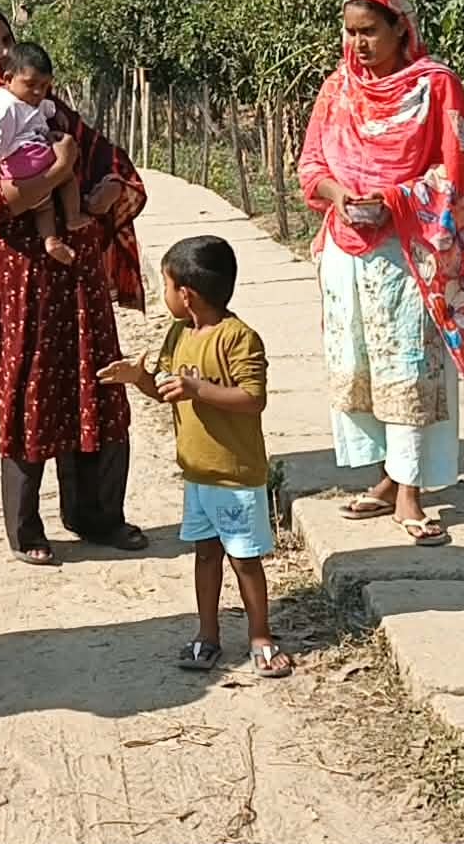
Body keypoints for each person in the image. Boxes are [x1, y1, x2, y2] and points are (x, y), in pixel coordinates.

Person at [295, 0, 464, 547]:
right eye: (350, 32)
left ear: (399, 28)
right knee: (360, 363)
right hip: (346, 249)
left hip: (409, 249)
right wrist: (341, 197)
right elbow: (311, 166)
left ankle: (411, 490)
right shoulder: (338, 89)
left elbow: (457, 171)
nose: (358, 44)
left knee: (409, 366)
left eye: (370, 31)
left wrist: (393, 200)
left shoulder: (436, 87)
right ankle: (387, 475)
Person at [0, 2, 149, 566]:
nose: (5, 52)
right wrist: (58, 173)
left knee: (97, 379)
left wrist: (108, 185)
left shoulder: (47, 103)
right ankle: (26, 524)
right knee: (29, 386)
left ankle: (98, 515)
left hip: (75, 270)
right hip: (19, 277)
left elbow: (105, 154)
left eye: (8, 39)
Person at [99, 236, 291, 677]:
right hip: (197, 474)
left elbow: (252, 398)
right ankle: (208, 634)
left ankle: (260, 635)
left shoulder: (239, 338)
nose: (163, 294)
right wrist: (139, 378)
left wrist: (197, 389)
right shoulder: (178, 335)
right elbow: (166, 389)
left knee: (245, 561)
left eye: (165, 286)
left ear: (185, 294)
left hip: (236, 477)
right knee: (206, 556)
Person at [0, 41, 83, 264]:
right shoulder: (4, 105)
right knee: (68, 173)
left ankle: (50, 239)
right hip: (23, 162)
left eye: (44, 86)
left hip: (30, 170)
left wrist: (58, 115)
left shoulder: (30, 100)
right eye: (31, 84)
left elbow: (46, 108)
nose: (38, 91)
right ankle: (73, 216)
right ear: (8, 79)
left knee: (44, 208)